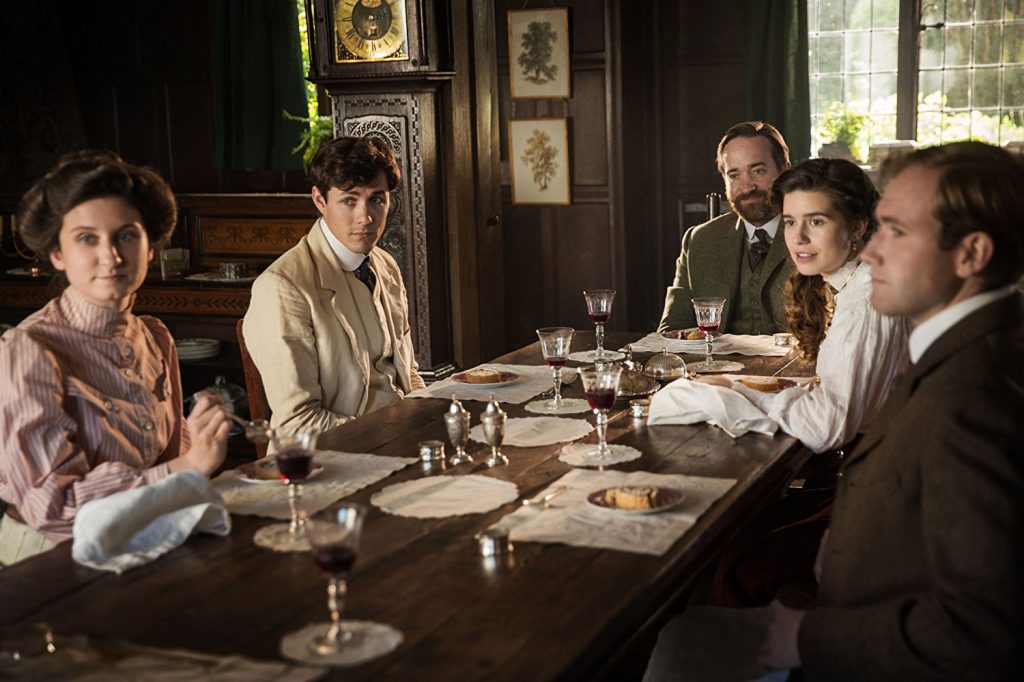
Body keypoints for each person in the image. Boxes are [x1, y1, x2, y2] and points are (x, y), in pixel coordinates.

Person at [647, 141, 1024, 680]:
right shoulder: (962, 347)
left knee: (693, 623)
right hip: (861, 586)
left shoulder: (976, 399)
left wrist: (806, 635)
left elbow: (982, 632)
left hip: (852, 640)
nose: (869, 254)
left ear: (972, 254)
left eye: (895, 232)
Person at [0, 151, 231, 566]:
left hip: (143, 532)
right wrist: (187, 467)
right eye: (87, 238)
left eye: (125, 235)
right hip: (48, 560)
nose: (111, 256)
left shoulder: (154, 337)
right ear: (56, 253)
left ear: (150, 248)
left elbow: (170, 456)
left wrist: (201, 436)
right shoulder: (30, 350)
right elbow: (53, 509)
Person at [243, 136, 425, 436]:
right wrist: (390, 436)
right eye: (349, 200)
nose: (365, 217)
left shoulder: (385, 264)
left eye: (376, 199)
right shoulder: (282, 287)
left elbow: (409, 373)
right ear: (320, 200)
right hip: (333, 460)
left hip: (402, 440)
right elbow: (297, 423)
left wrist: (425, 420)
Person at [658, 121, 795, 334]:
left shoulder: (818, 235)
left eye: (758, 171)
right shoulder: (699, 240)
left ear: (785, 171)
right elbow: (672, 331)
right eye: (734, 175)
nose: (747, 186)